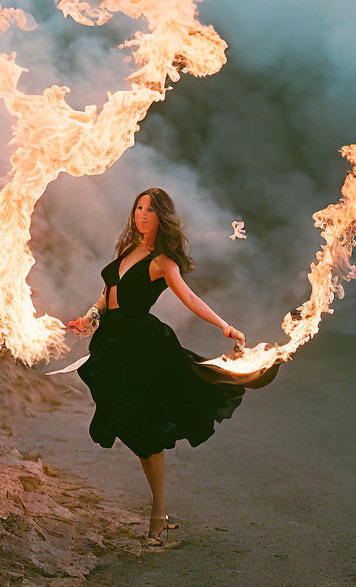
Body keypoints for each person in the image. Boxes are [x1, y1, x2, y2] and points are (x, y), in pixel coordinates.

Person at [65, 188, 278, 547]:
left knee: (146, 431)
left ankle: (158, 516)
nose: (142, 215)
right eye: (138, 207)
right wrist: (89, 318)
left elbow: (190, 297)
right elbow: (105, 296)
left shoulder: (164, 261)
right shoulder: (128, 251)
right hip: (112, 342)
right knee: (137, 428)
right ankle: (160, 514)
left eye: (150, 210)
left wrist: (223, 325)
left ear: (162, 217)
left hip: (142, 345)